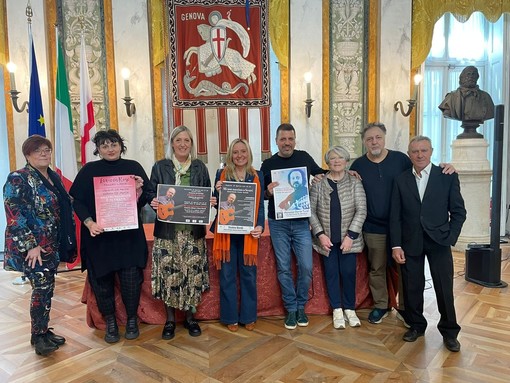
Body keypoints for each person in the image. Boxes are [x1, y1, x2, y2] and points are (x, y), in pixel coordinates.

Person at [349, 122, 455, 326]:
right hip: (374, 227)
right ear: (364, 142)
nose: (374, 141)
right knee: (377, 268)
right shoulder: (358, 166)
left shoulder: (401, 159)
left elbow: (423, 172)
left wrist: (445, 166)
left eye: (378, 137)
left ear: (384, 138)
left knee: (408, 270)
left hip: (406, 228)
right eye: (369, 138)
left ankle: (408, 310)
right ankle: (381, 305)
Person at [69, 129, 152, 344]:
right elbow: (77, 200)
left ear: (121, 146)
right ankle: (111, 323)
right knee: (102, 283)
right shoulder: (89, 170)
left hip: (128, 237)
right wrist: (89, 222)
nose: (110, 149)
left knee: (131, 281)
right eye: (104, 145)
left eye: (113, 144)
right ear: (98, 149)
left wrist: (139, 192)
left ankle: (132, 320)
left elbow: (145, 200)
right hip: (100, 237)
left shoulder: (133, 167)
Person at [390, 136, 466, 352]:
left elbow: (459, 211)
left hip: (439, 240)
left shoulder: (446, 176)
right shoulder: (401, 179)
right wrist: (396, 245)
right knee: (412, 287)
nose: (420, 155)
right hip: (410, 241)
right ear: (409, 154)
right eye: (415, 151)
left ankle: (450, 332)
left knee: (444, 288)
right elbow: (395, 216)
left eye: (424, 150)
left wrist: (451, 237)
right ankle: (416, 325)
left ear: (431, 151)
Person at [3, 135, 76, 356]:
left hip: (51, 245)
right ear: (28, 155)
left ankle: (42, 331)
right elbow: (14, 216)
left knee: (47, 288)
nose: (44, 153)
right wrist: (30, 246)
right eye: (38, 151)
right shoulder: (18, 178)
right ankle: (39, 336)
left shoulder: (53, 177)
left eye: (47, 150)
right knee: (41, 290)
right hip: (34, 248)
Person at [260, 123, 325, 330]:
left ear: (294, 140)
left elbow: (320, 173)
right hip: (278, 223)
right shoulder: (268, 164)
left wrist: (343, 173)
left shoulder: (304, 157)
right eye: (283, 139)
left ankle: (300, 305)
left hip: (300, 222)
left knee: (306, 266)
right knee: (284, 268)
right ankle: (291, 309)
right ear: (276, 141)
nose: (287, 143)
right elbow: (260, 194)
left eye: (290, 139)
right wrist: (268, 192)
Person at [148, 125, 211, 340]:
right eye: (179, 140)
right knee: (169, 275)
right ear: (172, 143)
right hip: (167, 233)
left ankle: (190, 319)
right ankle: (170, 320)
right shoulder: (160, 166)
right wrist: (152, 200)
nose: (183, 144)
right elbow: (150, 191)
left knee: (192, 275)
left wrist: (211, 201)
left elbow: (207, 192)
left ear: (191, 144)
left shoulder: (199, 167)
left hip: (193, 233)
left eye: (187, 140)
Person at [309, 146, 366, 329]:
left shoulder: (355, 182)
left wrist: (351, 236)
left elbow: (361, 210)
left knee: (348, 273)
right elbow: (311, 211)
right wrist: (320, 235)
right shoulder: (318, 184)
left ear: (346, 161)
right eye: (332, 158)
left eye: (340, 157)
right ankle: (337, 309)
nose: (336, 160)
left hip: (349, 239)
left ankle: (349, 308)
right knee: (331, 274)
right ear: (327, 162)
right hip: (327, 240)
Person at [211, 138, 265, 332]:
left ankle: (249, 316)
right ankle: (230, 317)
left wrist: (260, 225)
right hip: (226, 233)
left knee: (249, 275)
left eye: (243, 151)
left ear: (248, 153)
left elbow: (259, 206)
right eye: (235, 152)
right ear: (230, 155)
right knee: (227, 276)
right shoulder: (221, 173)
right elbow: (216, 204)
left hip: (248, 233)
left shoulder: (257, 175)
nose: (239, 155)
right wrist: (216, 194)